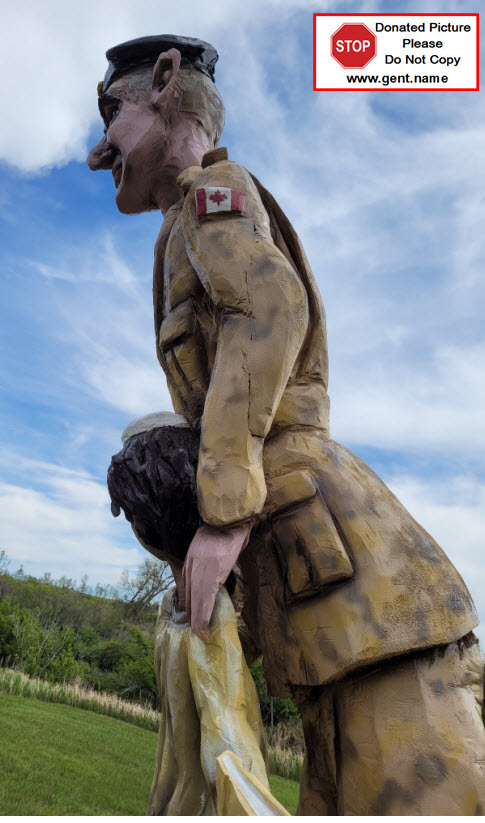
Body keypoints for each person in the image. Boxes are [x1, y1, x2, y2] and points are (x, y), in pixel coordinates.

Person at [89, 35, 485, 815]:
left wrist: (223, 511)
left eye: (111, 116)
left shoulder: (214, 194)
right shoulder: (183, 225)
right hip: (328, 620)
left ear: (165, 85)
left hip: (366, 611)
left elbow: (269, 307)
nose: (99, 149)